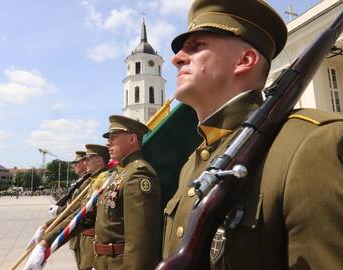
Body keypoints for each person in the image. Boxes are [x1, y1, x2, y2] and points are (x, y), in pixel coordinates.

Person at [162, 1, 343, 270]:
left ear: (244, 61)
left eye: (197, 46)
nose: (176, 58)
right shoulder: (193, 163)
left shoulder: (311, 145)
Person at [24, 145, 110, 270]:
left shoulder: (101, 180)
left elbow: (78, 212)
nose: (84, 162)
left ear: (99, 160)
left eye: (88, 158)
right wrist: (46, 229)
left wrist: (46, 239)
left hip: (91, 240)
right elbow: (77, 210)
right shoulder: (91, 181)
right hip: (80, 234)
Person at [93, 115, 161, 270]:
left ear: (132, 139)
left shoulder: (138, 173)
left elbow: (140, 242)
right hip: (104, 263)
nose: (108, 143)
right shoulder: (118, 174)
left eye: (114, 137)